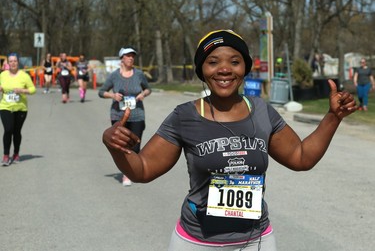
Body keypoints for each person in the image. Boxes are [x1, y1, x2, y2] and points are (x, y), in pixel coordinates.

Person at [102, 29, 357, 250]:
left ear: (245, 67)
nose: (224, 69)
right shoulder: (184, 116)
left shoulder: (262, 111)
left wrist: (333, 117)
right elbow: (143, 170)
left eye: (234, 61)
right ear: (202, 69)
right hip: (196, 241)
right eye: (213, 62)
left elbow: (301, 158)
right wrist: (115, 147)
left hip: (256, 241)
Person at [99, 47, 151, 186]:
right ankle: (126, 173)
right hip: (118, 115)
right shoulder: (114, 76)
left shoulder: (139, 74)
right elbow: (101, 91)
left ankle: (133, 170)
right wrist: (113, 95)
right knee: (121, 143)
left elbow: (148, 88)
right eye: (128, 56)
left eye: (133, 56)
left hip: (137, 114)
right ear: (122, 58)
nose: (131, 58)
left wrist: (143, 94)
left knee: (135, 143)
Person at [0, 52, 36, 166]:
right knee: (8, 129)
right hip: (5, 106)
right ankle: (6, 155)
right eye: (10, 61)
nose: (13, 63)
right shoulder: (3, 75)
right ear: (7, 63)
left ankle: (16, 153)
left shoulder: (24, 76)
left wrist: (22, 90)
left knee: (16, 132)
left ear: (18, 62)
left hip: (21, 108)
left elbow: (33, 89)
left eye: (15, 61)